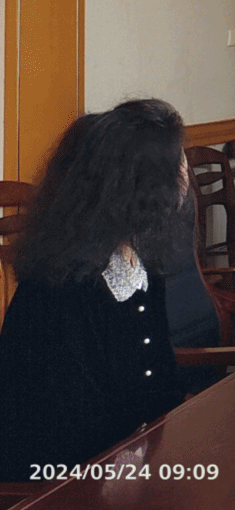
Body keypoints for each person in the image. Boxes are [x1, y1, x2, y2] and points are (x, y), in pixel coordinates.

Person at [0, 100, 192, 481]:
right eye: (177, 163)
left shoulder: (136, 264)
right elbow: (65, 434)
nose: (185, 173)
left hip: (135, 467)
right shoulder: (60, 291)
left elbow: (161, 388)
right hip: (65, 484)